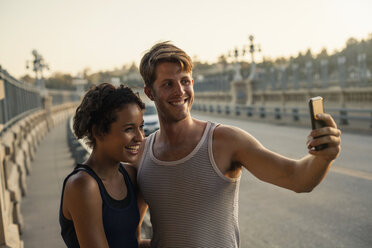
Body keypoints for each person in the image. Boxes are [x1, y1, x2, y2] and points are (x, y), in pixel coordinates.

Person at [134, 41, 341, 248]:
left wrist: (323, 157)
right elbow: (131, 237)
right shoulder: (140, 155)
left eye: (185, 81)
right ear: (150, 92)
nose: (180, 91)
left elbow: (297, 178)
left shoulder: (225, 141)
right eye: (168, 84)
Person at [59, 83, 148, 248]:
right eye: (129, 129)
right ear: (99, 132)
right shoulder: (83, 186)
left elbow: (134, 242)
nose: (140, 137)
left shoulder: (130, 175)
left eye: (141, 127)